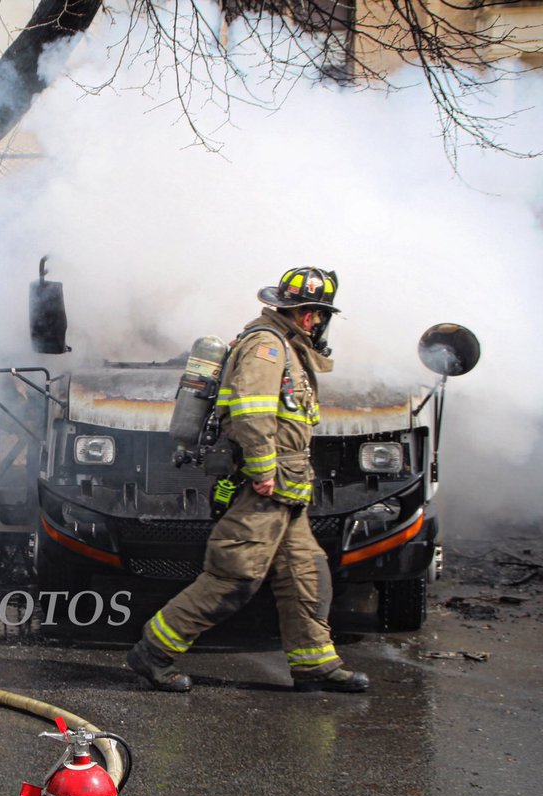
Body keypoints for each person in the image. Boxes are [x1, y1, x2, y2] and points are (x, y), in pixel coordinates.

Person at [127, 267, 370, 693]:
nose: (321, 324)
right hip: (269, 485)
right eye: (320, 315)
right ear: (310, 315)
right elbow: (250, 410)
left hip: (288, 488)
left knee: (306, 574)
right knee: (233, 577)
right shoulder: (268, 348)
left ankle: (315, 663)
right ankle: (154, 653)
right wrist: (261, 469)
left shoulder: (286, 347)